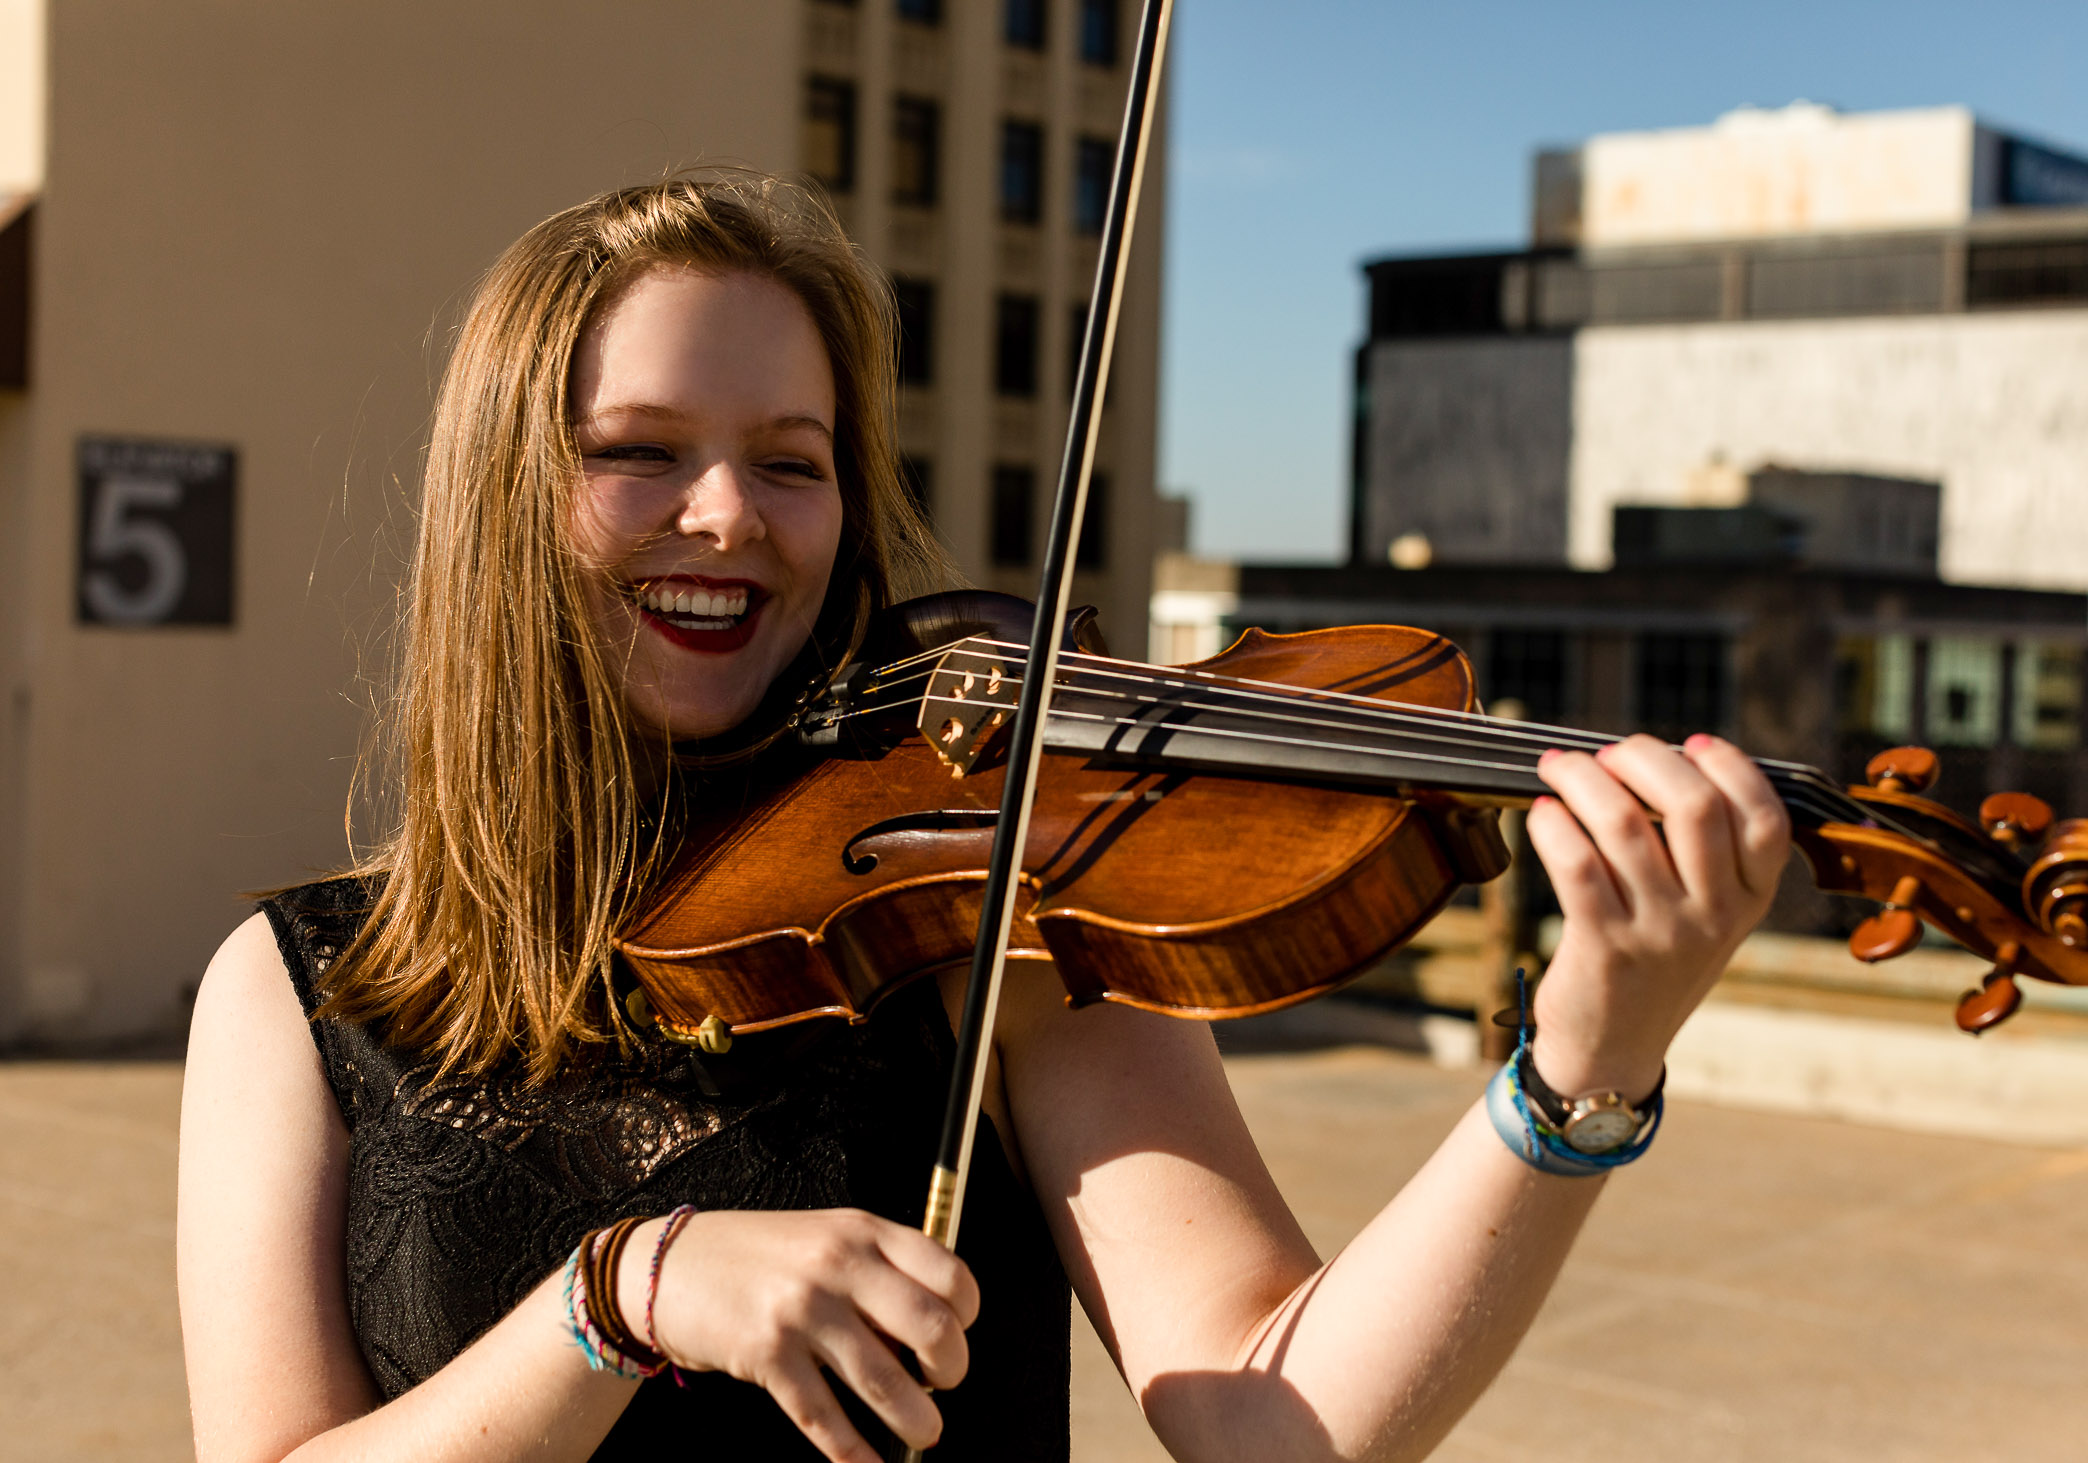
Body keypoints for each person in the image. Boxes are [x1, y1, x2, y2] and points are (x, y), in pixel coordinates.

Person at [176, 171, 1790, 1463]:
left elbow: (1273, 1418)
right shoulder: (303, 987)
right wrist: (619, 1297)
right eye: (639, 453)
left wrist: (1578, 1071)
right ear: (502, 502)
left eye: (790, 464)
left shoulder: (981, 911)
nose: (727, 513)